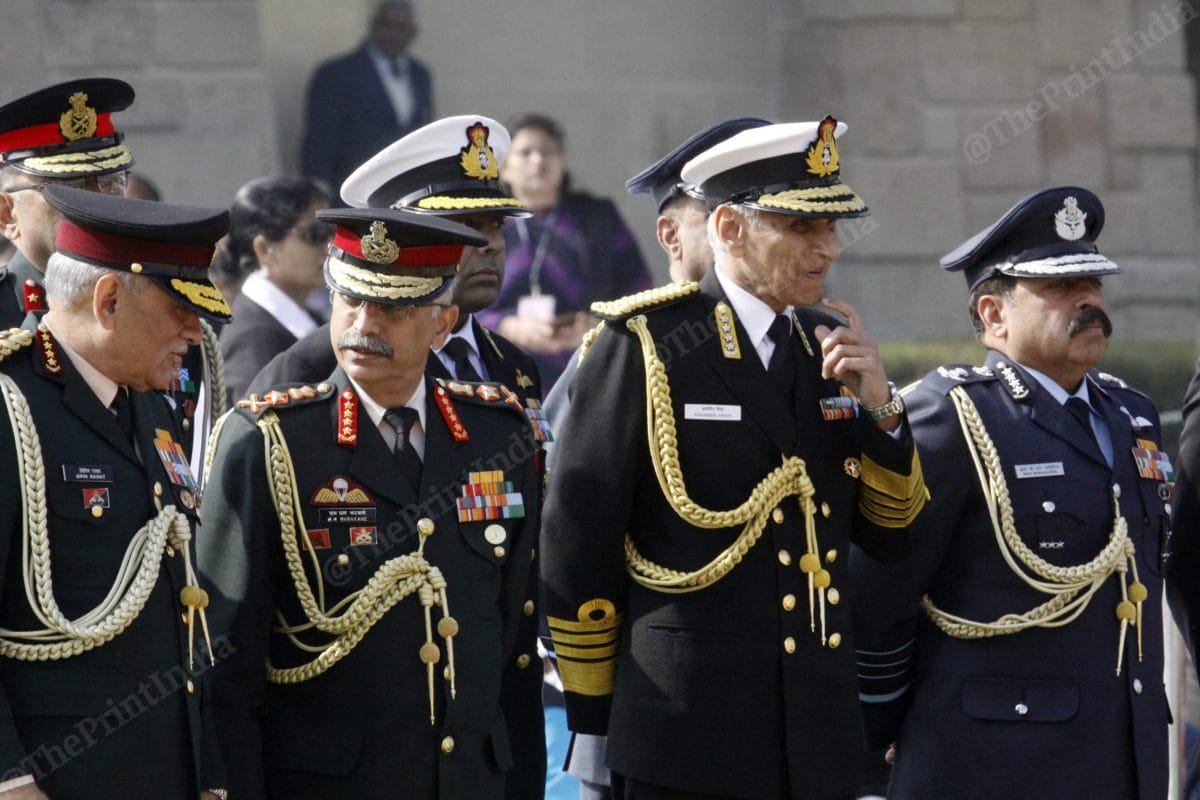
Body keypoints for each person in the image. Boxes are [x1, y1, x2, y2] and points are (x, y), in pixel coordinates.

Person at [540, 118, 928, 800]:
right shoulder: (646, 342)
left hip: (818, 732)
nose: (828, 249)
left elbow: (893, 537)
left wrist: (883, 411)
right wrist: (594, 719)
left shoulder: (827, 343)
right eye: (802, 228)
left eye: (832, 228)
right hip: (684, 730)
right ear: (728, 228)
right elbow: (579, 544)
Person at [198, 207, 544, 799]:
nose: (364, 323)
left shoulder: (498, 435)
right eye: (350, 300)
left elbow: (511, 638)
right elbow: (224, 663)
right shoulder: (271, 441)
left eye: (393, 307)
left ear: (442, 323)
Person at [851, 186, 1170, 799]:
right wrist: (878, 735)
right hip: (993, 763)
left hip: (1122, 757)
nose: (1088, 302)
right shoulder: (952, 417)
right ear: (994, 315)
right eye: (1058, 289)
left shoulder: (1132, 414)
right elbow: (881, 591)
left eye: (1094, 286)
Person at [538, 116, 769, 800]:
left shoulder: (803, 343)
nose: (752, 234)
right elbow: (573, 530)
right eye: (729, 215)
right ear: (674, 234)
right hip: (647, 705)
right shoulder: (629, 346)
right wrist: (596, 704)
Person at [0, 185, 231, 799]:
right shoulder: (8, 405)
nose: (195, 326)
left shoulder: (152, 405)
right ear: (108, 301)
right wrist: (10, 782)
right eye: (179, 307)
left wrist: (208, 772)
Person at [252, 115, 543, 406]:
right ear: (399, 236)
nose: (491, 244)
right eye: (466, 225)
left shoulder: (516, 367)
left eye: (497, 225)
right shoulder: (310, 372)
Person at [478, 113, 651, 386]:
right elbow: (455, 302)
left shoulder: (598, 217)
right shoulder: (485, 224)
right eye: (526, 152)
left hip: (587, 366)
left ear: (562, 161)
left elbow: (639, 290)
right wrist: (506, 326)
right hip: (500, 368)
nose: (538, 160)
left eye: (548, 150)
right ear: (504, 167)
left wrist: (600, 326)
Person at [0, 78, 135, 329]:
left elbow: (184, 369)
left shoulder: (158, 310)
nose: (98, 202)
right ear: (6, 215)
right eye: (68, 188)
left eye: (110, 180)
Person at [215, 176, 333, 402]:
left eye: (331, 230)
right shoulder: (254, 336)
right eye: (314, 234)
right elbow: (257, 431)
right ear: (264, 248)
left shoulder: (309, 317)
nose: (330, 245)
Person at [300, 0, 433, 197]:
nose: (392, 34)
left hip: (407, 197)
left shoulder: (420, 74)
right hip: (352, 196)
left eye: (400, 28)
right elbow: (318, 144)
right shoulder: (336, 74)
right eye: (385, 25)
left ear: (412, 33)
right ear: (373, 27)